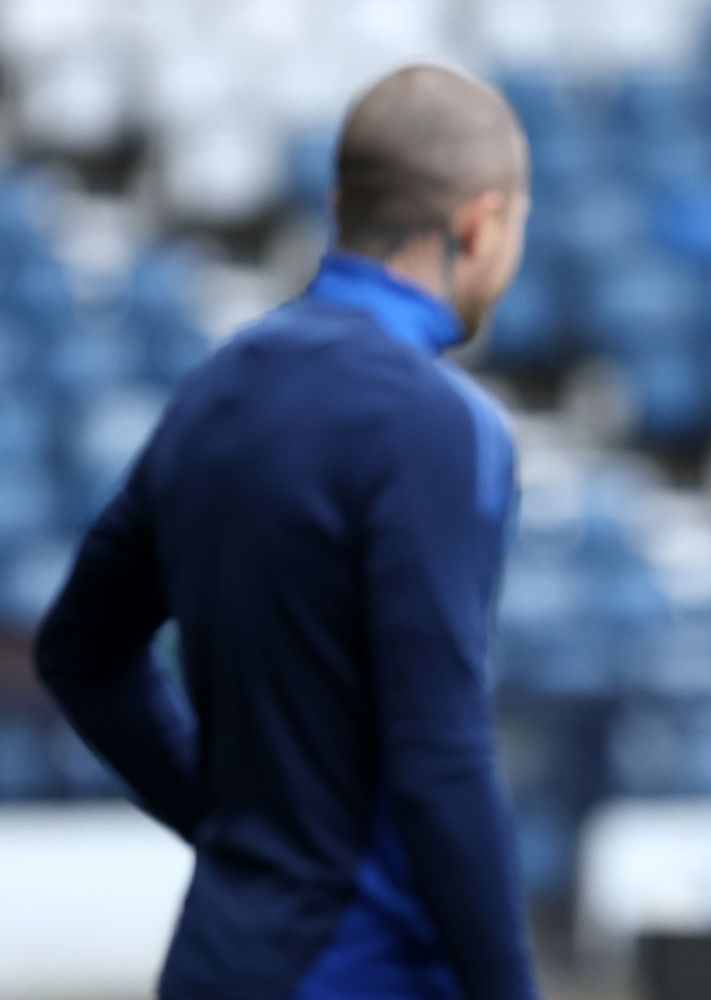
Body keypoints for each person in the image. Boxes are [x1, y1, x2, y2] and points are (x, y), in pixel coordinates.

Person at [34, 66, 538, 1000]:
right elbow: (440, 756)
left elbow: (77, 650)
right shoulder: (439, 421)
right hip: (362, 969)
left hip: (217, 961)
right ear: (480, 223)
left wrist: (229, 823)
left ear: (342, 206)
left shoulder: (217, 388)